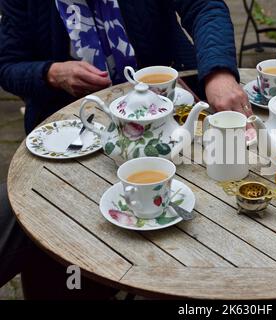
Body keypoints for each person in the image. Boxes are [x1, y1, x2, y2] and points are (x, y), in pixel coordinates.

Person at [0, 0, 250, 297]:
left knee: (211, 222)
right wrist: (51, 73)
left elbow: (205, 6)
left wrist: (218, 73)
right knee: (56, 239)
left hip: (167, 126)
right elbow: (8, 65)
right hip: (75, 138)